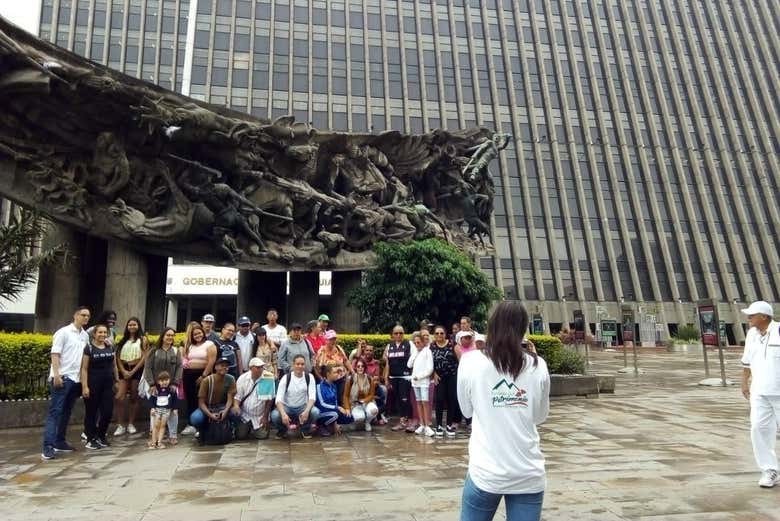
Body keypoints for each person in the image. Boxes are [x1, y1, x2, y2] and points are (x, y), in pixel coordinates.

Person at [457, 301, 550, 521]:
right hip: (527, 472)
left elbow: (466, 411)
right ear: (523, 328)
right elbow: (540, 416)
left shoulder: (470, 362)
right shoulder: (538, 366)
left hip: (486, 472)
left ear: (492, 326)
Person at [42, 306, 91, 460]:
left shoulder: (85, 336)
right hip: (63, 378)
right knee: (55, 412)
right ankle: (47, 447)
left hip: (76, 379)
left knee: (66, 412)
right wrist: (56, 375)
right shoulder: (63, 332)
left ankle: (59, 441)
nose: (86, 318)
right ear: (75, 315)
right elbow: (55, 354)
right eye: (83, 315)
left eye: (88, 316)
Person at [740, 300, 780, 488]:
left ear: (764, 316)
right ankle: (769, 470)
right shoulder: (751, 335)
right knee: (758, 429)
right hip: (759, 391)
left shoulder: (779, 331)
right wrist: (744, 382)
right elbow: (747, 361)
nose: (748, 318)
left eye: (752, 314)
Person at [81, 323, 119, 450]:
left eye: (105, 332)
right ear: (94, 334)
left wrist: (117, 380)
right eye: (100, 332)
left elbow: (114, 366)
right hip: (93, 384)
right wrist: (85, 386)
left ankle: (101, 435)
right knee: (91, 413)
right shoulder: (89, 348)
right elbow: (84, 368)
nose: (102, 335)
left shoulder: (110, 347)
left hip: (108, 385)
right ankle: (90, 438)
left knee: (107, 412)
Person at [142, 327, 183, 445]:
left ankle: (173, 435)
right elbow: (147, 368)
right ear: (163, 336)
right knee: (155, 410)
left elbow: (179, 367)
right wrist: (151, 384)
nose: (170, 337)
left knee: (172, 409)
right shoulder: (154, 350)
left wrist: (175, 382)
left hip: (171, 386)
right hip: (156, 385)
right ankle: (154, 434)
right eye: (168, 335)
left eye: (172, 335)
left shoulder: (175, 351)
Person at [113, 317, 149, 436]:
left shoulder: (143, 339)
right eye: (130, 325)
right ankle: (120, 425)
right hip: (124, 370)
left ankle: (131, 423)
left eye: (134, 325)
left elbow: (145, 357)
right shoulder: (123, 340)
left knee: (134, 396)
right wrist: (122, 370)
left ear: (138, 326)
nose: (132, 327)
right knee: (119, 397)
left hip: (136, 370)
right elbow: (117, 357)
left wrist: (133, 371)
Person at [190, 357, 240, 441]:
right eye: (222, 365)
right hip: (208, 406)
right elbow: (201, 403)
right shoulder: (207, 381)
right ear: (216, 367)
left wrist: (225, 411)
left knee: (236, 413)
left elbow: (230, 399)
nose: (225, 368)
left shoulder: (231, 379)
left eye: (227, 366)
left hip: (222, 406)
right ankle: (201, 431)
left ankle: (230, 428)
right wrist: (210, 415)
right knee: (195, 418)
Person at [271, 354, 320, 439]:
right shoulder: (286, 378)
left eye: (302, 364)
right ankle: (282, 430)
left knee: (315, 412)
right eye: (297, 364)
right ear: (293, 365)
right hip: (287, 407)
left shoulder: (309, 377)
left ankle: (305, 429)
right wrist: (283, 414)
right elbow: (278, 399)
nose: (300, 366)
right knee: (275, 415)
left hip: (302, 407)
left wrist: (307, 411)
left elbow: (312, 397)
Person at [181, 324, 218, 435]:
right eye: (195, 334)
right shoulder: (191, 346)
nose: (197, 335)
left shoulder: (209, 344)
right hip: (188, 376)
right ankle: (190, 424)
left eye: (199, 333)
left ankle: (202, 425)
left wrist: (203, 375)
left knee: (201, 399)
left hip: (202, 375)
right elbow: (185, 358)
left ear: (203, 333)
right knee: (190, 399)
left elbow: (211, 361)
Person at [234, 358, 276, 439]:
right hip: (245, 415)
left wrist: (265, 417)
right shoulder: (242, 378)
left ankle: (255, 428)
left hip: (259, 415)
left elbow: (269, 400)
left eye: (261, 367)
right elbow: (237, 396)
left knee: (262, 436)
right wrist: (236, 406)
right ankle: (245, 427)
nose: (260, 369)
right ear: (250, 368)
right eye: (257, 367)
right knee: (240, 436)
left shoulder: (268, 377)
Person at [431, 325, 461, 437]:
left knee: (451, 400)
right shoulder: (432, 346)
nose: (439, 335)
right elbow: (429, 362)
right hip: (439, 377)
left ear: (445, 334)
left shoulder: (452, 344)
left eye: (441, 333)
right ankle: (438, 425)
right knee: (439, 400)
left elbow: (461, 360)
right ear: (434, 335)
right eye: (437, 333)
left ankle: (449, 425)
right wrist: (433, 374)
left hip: (452, 376)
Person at [383, 325, 413, 432]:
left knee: (405, 399)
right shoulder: (389, 346)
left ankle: (409, 421)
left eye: (401, 333)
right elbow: (387, 364)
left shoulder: (409, 344)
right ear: (392, 335)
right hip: (393, 377)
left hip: (405, 377)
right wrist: (386, 379)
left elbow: (414, 360)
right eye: (396, 333)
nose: (399, 335)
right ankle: (402, 421)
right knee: (398, 400)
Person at [408, 332, 434, 437]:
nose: (417, 344)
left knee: (425, 403)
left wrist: (419, 377)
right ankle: (422, 424)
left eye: (419, 342)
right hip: (415, 383)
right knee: (418, 403)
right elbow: (409, 364)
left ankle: (427, 425)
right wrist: (415, 353)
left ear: (423, 342)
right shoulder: (415, 352)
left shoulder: (427, 351)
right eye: (415, 343)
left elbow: (430, 369)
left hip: (423, 382)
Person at [314, 330, 352, 399]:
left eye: (334, 339)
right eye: (330, 339)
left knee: (341, 398)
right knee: (331, 399)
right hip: (329, 381)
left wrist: (352, 372)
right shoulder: (321, 351)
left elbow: (346, 360)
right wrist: (322, 379)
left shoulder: (338, 348)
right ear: (326, 340)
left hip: (341, 379)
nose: (333, 341)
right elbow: (316, 368)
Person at [316, 364, 352, 436]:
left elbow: (335, 401)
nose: (337, 374)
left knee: (349, 417)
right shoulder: (319, 386)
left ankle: (332, 425)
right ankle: (321, 426)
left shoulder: (333, 386)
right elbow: (321, 404)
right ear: (328, 374)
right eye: (335, 372)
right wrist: (338, 407)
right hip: (322, 412)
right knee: (335, 414)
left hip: (332, 411)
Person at [343, 359, 379, 431]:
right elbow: (345, 396)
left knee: (374, 410)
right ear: (355, 368)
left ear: (365, 368)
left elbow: (371, 395)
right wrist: (347, 408)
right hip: (355, 403)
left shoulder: (369, 379)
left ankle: (367, 422)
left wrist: (363, 401)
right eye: (358, 366)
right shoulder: (350, 379)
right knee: (359, 417)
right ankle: (354, 422)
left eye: (362, 366)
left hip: (367, 402)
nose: (360, 368)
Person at [147, 371, 177, 449]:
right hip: (157, 410)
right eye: (162, 380)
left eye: (166, 380)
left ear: (169, 380)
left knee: (163, 426)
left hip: (166, 410)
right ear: (158, 381)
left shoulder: (171, 390)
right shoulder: (156, 390)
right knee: (156, 426)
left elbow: (175, 400)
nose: (164, 382)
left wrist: (175, 408)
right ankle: (154, 442)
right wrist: (152, 408)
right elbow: (151, 400)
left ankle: (159, 442)